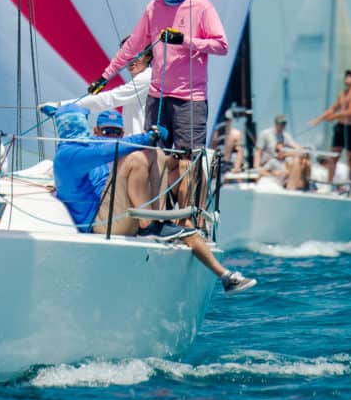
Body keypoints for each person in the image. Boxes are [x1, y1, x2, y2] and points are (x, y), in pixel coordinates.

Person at [51, 105, 256, 294]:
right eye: (106, 131)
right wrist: (146, 137)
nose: (110, 135)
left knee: (155, 152)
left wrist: (171, 156)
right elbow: (110, 149)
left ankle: (226, 276)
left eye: (115, 132)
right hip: (100, 223)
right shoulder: (69, 154)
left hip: (116, 215)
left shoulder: (88, 145)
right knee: (137, 158)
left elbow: (111, 146)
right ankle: (150, 224)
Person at [89, 0, 227, 150]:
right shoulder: (153, 8)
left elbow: (222, 46)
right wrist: (104, 78)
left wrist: (184, 40)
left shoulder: (202, 7)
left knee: (185, 161)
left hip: (189, 99)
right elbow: (131, 46)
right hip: (158, 98)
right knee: (152, 157)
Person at [40, 38, 152, 136]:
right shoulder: (142, 78)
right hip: (135, 146)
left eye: (137, 54)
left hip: (142, 150)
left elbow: (109, 99)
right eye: (127, 55)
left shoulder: (147, 77)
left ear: (148, 56)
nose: (131, 60)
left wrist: (63, 106)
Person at [308, 69, 351, 184]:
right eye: (346, 76)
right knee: (334, 156)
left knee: (350, 158)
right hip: (340, 127)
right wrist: (319, 119)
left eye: (350, 76)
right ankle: (329, 182)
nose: (347, 78)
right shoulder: (342, 93)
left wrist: (334, 116)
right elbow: (333, 108)